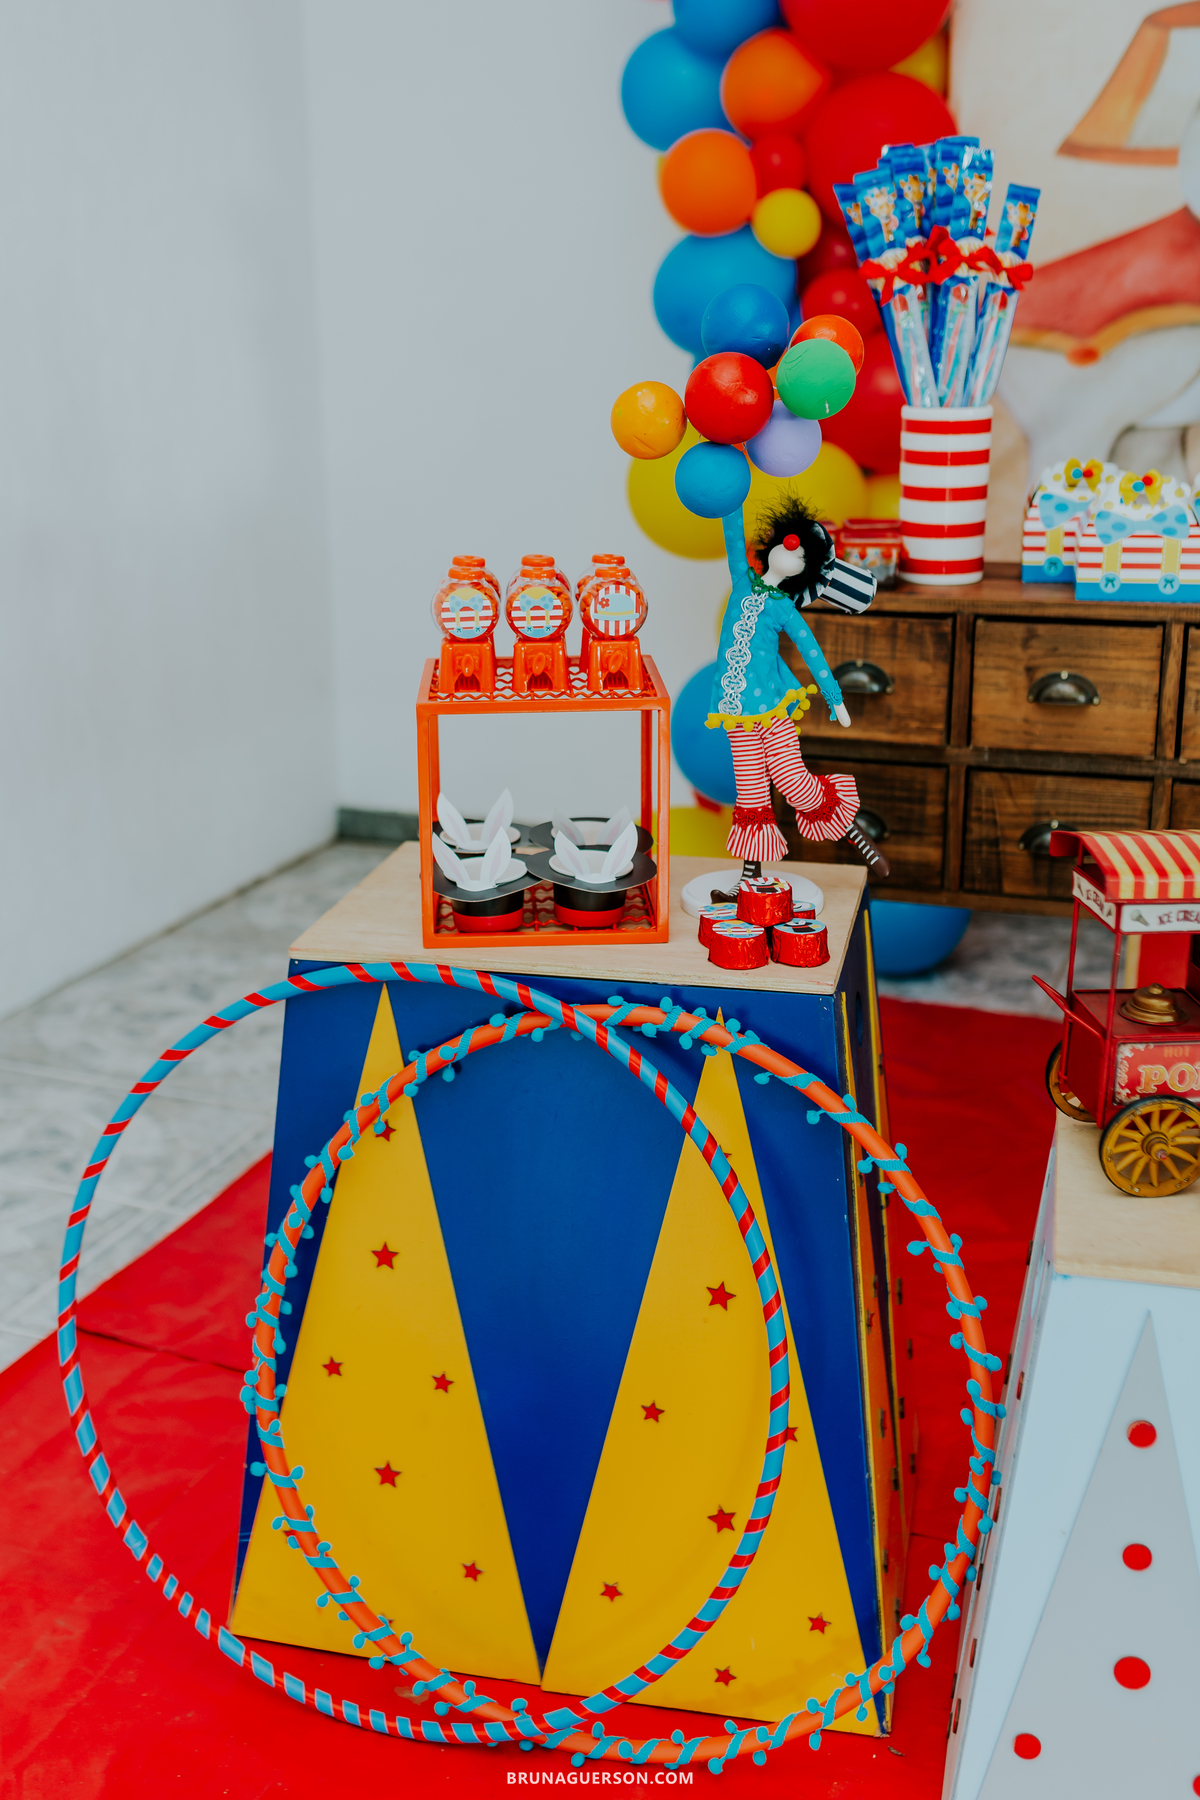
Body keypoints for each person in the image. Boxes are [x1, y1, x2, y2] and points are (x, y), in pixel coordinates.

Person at [708, 496, 885, 883]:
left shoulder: (784, 609)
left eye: (801, 554)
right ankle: (749, 882)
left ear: (804, 572)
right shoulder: (742, 581)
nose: (791, 550)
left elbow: (813, 653)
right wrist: (730, 486)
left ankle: (847, 824)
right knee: (752, 795)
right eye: (789, 542)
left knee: (792, 780)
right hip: (736, 715)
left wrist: (834, 698)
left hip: (773, 710)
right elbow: (732, 536)